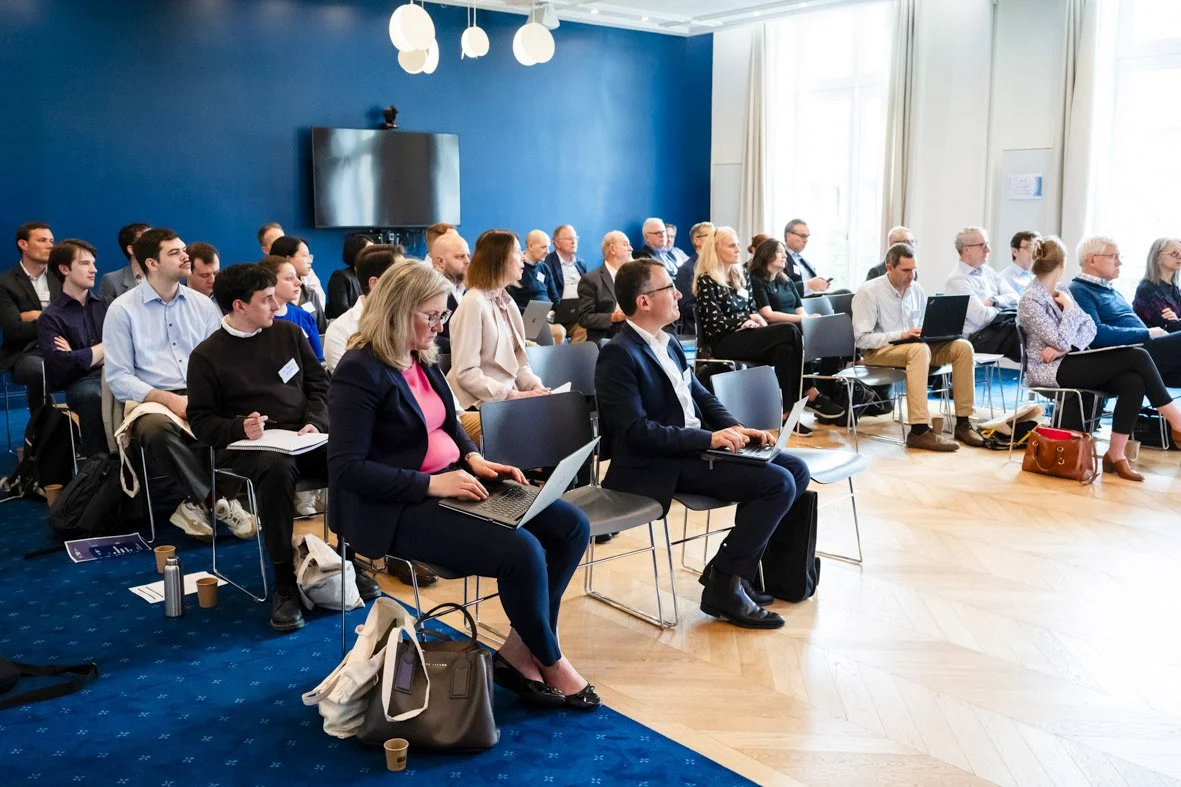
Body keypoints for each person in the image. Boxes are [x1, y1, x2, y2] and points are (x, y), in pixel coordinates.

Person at [328, 261, 598, 709]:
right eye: (432, 316)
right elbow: (347, 470)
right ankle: (549, 659)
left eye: (443, 315)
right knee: (523, 552)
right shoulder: (360, 370)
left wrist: (474, 458)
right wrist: (431, 485)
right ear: (397, 311)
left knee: (571, 526)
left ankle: (521, 650)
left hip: (456, 480)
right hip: (397, 505)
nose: (440, 326)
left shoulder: (420, 355)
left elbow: (450, 424)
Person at [595, 258, 811, 629]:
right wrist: (708, 438)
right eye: (669, 288)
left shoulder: (668, 343)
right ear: (644, 301)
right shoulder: (618, 354)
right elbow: (636, 431)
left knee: (795, 468)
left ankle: (732, 572)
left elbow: (701, 397)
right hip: (658, 463)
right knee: (777, 483)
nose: (679, 294)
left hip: (695, 449)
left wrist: (738, 428)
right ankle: (726, 584)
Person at [187, 263, 378, 631]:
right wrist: (238, 427)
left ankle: (348, 558)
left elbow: (320, 386)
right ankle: (284, 580)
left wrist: (316, 421)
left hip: (304, 436)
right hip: (249, 449)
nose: (277, 306)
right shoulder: (207, 356)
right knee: (276, 469)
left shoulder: (288, 334)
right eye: (266, 300)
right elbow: (201, 422)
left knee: (349, 457)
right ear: (240, 306)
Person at [102, 227, 254, 539]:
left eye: (183, 249)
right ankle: (215, 501)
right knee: (156, 430)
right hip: (151, 400)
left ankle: (194, 504)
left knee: (249, 421)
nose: (185, 256)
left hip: (202, 393)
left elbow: (221, 361)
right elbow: (118, 378)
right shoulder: (122, 310)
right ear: (151, 263)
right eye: (174, 253)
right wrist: (168, 400)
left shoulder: (203, 305)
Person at [1018, 236, 1181, 482]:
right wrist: (1069, 318)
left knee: (1133, 380)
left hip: (1068, 360)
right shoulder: (1031, 299)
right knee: (1137, 355)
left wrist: (1064, 342)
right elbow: (1062, 339)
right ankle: (1177, 421)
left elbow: (1088, 330)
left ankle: (1116, 455)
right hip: (1049, 369)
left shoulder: (1062, 291)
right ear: (1062, 263)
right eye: (1113, 256)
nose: (1119, 261)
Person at [693, 227, 844, 432]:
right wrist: (745, 320)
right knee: (790, 330)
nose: (738, 249)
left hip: (748, 334)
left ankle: (785, 414)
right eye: (732, 245)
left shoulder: (740, 275)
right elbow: (714, 324)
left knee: (785, 350)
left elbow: (752, 309)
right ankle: (807, 393)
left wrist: (754, 319)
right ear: (715, 249)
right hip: (724, 341)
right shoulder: (707, 279)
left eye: (738, 244)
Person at [852, 243, 984, 451]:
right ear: (889, 268)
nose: (911, 275)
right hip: (878, 351)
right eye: (906, 270)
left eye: (914, 269)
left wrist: (936, 333)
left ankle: (963, 422)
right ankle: (919, 430)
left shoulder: (916, 289)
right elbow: (861, 339)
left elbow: (922, 326)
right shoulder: (868, 292)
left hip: (915, 347)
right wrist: (901, 335)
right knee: (919, 351)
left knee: (963, 347)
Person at [447, 230, 551, 444]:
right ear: (499, 259)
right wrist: (513, 396)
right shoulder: (473, 303)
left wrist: (535, 387)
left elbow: (519, 363)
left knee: (557, 415)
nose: (523, 258)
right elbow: (466, 373)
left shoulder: (507, 302)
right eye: (517, 252)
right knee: (541, 429)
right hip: (476, 405)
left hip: (502, 402)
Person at [1068, 235, 1181, 386]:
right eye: (1113, 257)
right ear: (1092, 260)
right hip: (1133, 355)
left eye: (1119, 257)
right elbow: (1094, 333)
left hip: (1146, 351)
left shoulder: (1112, 292)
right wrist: (1148, 333)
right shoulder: (1079, 290)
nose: (1119, 262)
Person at [37, 239, 108, 456]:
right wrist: (107, 346)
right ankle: (99, 464)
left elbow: (129, 347)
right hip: (81, 383)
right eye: (85, 264)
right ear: (64, 269)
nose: (94, 269)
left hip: (116, 373)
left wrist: (78, 355)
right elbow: (62, 365)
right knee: (92, 397)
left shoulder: (108, 305)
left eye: (93, 263)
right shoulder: (51, 317)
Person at [1, 222, 60, 413]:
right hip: (25, 352)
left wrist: (37, 316)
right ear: (23, 244)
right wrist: (54, 321)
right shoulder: (5, 283)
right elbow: (13, 329)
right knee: (39, 370)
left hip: (63, 346)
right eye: (42, 240)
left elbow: (73, 317)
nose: (50, 246)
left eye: (51, 241)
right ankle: (42, 427)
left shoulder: (61, 277)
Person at [944, 226, 1021, 360]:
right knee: (1025, 335)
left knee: (1028, 328)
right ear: (967, 249)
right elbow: (981, 317)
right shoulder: (957, 280)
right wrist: (1003, 309)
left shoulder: (988, 271)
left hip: (998, 329)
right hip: (977, 338)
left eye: (987, 244)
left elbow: (1015, 298)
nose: (988, 250)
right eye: (983, 245)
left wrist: (993, 301)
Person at [324, 247, 400, 372]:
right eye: (401, 278)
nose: (410, 283)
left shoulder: (411, 320)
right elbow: (348, 380)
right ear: (375, 283)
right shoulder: (341, 330)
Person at [257, 255, 324, 363]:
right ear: (269, 283)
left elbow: (318, 362)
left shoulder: (304, 317)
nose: (298, 282)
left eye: (296, 277)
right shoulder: (256, 322)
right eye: (289, 278)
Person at [506, 229, 564, 344]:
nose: (548, 251)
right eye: (543, 247)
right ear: (531, 246)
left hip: (547, 316)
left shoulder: (544, 268)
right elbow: (510, 302)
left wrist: (564, 312)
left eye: (548, 247)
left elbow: (554, 298)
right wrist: (537, 314)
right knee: (559, 331)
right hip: (527, 320)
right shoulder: (517, 269)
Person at [577, 231, 631, 344]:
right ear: (612, 249)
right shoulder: (591, 279)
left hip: (632, 333)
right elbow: (585, 318)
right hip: (607, 337)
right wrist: (613, 317)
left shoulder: (633, 276)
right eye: (625, 244)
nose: (630, 248)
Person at [269, 235, 326, 332]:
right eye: (305, 256)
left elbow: (322, 330)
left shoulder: (311, 294)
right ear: (287, 259)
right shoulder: (270, 297)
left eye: (310, 256)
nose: (310, 261)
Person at [748, 238, 811, 326]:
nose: (785, 256)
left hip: (796, 323)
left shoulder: (787, 281)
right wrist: (803, 319)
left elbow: (801, 310)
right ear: (766, 254)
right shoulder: (756, 280)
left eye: (784, 252)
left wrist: (809, 321)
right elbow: (767, 315)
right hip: (780, 327)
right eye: (779, 251)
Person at [543, 224, 588, 343]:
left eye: (575, 238)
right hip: (555, 314)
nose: (574, 242)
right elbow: (545, 292)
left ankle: (573, 354)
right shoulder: (547, 263)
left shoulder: (581, 264)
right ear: (557, 243)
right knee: (559, 331)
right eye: (569, 239)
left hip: (578, 313)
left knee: (586, 327)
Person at [429, 231, 471, 355]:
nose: (467, 261)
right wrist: (465, 345)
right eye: (460, 257)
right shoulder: (428, 292)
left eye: (468, 256)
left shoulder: (467, 290)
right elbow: (423, 335)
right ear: (441, 262)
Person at [673, 221, 715, 334]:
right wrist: (715, 308)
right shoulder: (686, 270)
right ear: (697, 241)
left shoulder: (718, 267)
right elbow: (687, 307)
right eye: (711, 236)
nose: (715, 240)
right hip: (698, 330)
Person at [1132, 237, 1181, 332]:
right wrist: (1176, 321)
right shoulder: (1147, 289)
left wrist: (1177, 320)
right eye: (1174, 253)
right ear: (1158, 258)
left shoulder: (1174, 289)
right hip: (1157, 339)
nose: (1180, 256)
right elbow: (1168, 326)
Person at [326, 232, 373, 319]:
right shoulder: (340, 276)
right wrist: (370, 316)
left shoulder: (372, 277)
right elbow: (342, 310)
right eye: (369, 251)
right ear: (356, 252)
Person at [99, 223, 150, 301]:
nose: (155, 244)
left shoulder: (166, 275)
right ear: (131, 250)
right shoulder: (112, 281)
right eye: (147, 240)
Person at [783, 218, 831, 296]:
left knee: (845, 293)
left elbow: (812, 281)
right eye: (802, 236)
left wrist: (821, 284)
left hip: (813, 296)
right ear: (788, 235)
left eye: (807, 236)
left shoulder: (803, 260)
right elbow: (783, 289)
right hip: (798, 299)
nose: (806, 240)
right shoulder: (780, 258)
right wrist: (808, 285)